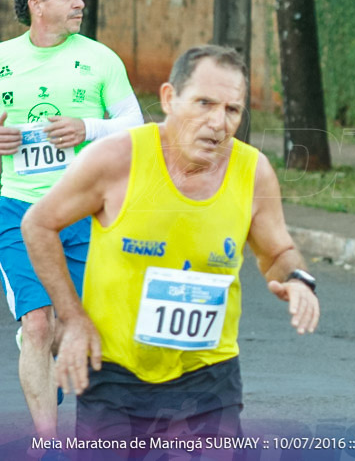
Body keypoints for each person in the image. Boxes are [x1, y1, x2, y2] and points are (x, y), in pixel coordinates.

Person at [21, 45, 320, 452]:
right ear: (168, 99)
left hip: (208, 374)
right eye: (204, 103)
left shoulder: (253, 171)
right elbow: (39, 223)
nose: (218, 122)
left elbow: (278, 252)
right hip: (115, 373)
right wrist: (72, 318)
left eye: (233, 110)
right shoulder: (116, 160)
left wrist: (297, 279)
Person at [0, 0, 143, 439]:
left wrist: (89, 127)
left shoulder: (101, 59)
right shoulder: (3, 61)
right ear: (37, 5)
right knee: (39, 324)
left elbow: (135, 126)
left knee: (74, 323)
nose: (80, 3)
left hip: (85, 210)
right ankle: (50, 444)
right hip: (18, 208)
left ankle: (49, 358)